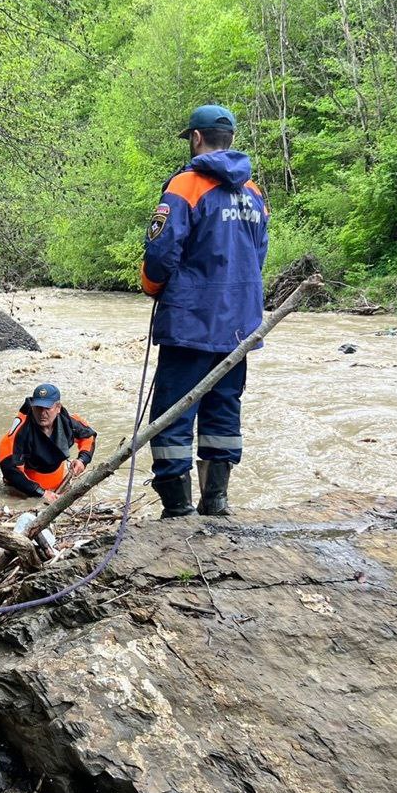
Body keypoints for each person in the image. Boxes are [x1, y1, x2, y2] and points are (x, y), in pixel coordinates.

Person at [140, 104, 269, 518]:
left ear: (196, 138)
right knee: (223, 408)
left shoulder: (185, 185)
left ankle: (178, 510)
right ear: (229, 139)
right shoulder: (254, 192)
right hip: (240, 326)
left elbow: (161, 254)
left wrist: (151, 286)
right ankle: (216, 501)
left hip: (191, 321)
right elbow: (258, 254)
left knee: (173, 412)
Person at [0, 383, 97, 504]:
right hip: (25, 491)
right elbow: (10, 470)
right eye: (38, 407)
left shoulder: (69, 422)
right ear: (32, 406)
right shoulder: (21, 431)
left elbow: (89, 436)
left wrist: (82, 459)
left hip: (59, 484)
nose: (42, 413)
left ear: (58, 407)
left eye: (47, 408)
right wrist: (41, 493)